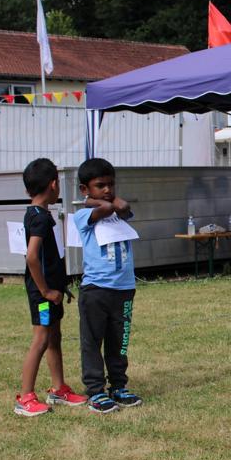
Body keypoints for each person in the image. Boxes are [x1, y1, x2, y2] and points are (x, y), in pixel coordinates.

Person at [15, 159, 88, 416]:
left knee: (54, 337)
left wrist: (59, 286)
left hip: (52, 291)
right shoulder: (40, 219)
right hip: (43, 295)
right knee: (42, 339)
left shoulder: (40, 214)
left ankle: (59, 389)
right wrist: (45, 291)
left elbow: (48, 257)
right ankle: (25, 397)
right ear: (54, 184)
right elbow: (32, 257)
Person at [74, 158, 144, 413]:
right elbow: (105, 208)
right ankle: (95, 390)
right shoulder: (83, 215)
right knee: (92, 341)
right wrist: (94, 202)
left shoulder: (117, 213)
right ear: (84, 189)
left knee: (119, 341)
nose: (107, 190)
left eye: (111, 185)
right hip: (96, 289)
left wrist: (105, 200)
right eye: (100, 185)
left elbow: (124, 208)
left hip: (123, 289)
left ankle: (118, 385)